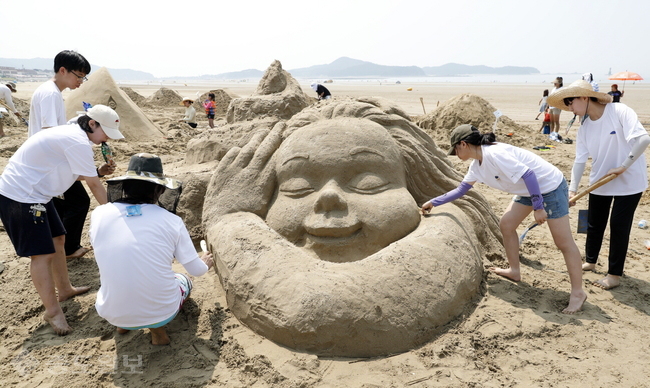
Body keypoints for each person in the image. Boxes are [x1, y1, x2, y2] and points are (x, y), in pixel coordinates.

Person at [421, 124, 587, 314]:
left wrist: (538, 207)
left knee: (563, 242)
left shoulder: (494, 154)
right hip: (526, 189)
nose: (456, 154)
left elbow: (529, 175)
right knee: (506, 224)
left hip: (549, 187)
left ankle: (577, 293)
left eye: (456, 149)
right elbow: (461, 190)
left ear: (464, 144)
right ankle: (514, 270)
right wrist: (433, 202)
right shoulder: (477, 166)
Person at [0, 105, 124, 335]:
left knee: (59, 239)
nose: (107, 138)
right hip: (21, 196)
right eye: (105, 131)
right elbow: (93, 185)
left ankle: (65, 289)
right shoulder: (76, 141)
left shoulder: (75, 136)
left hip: (39, 193)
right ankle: (53, 312)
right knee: (42, 254)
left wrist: (97, 170)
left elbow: (75, 173)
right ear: (92, 123)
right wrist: (116, 217)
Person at [90, 153, 214, 345]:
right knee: (183, 280)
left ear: (126, 186)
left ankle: (122, 324)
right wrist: (205, 262)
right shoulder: (172, 221)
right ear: (159, 189)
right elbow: (196, 270)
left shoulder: (99, 214)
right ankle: (158, 334)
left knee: (121, 272)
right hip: (160, 311)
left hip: (109, 310)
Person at [548, 80, 650, 290]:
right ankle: (591, 260)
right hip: (600, 181)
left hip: (630, 181)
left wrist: (623, 166)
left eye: (571, 101)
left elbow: (643, 139)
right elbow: (579, 160)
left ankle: (614, 275)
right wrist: (573, 189)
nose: (569, 107)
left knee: (618, 225)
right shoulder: (584, 127)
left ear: (584, 97)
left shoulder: (619, 111)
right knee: (592, 223)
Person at [29, 50, 115, 260]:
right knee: (77, 201)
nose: (81, 81)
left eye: (84, 77)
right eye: (79, 76)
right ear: (62, 70)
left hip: (48, 160)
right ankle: (66, 249)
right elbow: (50, 133)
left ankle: (63, 248)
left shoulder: (52, 92)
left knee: (63, 205)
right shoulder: (50, 93)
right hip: (49, 161)